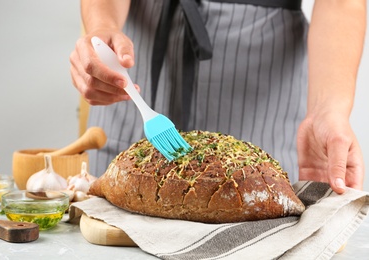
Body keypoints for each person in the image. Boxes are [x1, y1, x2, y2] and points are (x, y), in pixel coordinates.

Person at [70, 0, 366, 194]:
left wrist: (328, 110)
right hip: (137, 61)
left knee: (257, 195)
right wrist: (102, 25)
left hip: (261, 74)